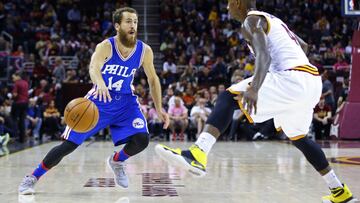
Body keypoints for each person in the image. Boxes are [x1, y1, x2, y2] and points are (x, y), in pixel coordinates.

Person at [155, 1, 355, 202]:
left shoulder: (251, 20)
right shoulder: (271, 20)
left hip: (292, 78)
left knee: (228, 97)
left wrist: (255, 87)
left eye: (229, 3)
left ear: (238, 3)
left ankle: (197, 153)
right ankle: (339, 190)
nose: (227, 8)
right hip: (311, 81)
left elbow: (264, 56)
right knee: (300, 138)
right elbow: (303, 45)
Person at [19, 7, 169, 195]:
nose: (133, 25)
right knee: (68, 146)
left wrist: (159, 107)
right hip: (99, 101)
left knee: (142, 139)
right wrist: (100, 84)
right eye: (128, 21)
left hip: (125, 103)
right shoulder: (106, 46)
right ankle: (32, 177)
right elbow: (93, 67)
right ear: (117, 25)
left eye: (135, 21)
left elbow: (153, 80)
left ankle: (117, 160)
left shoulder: (144, 51)